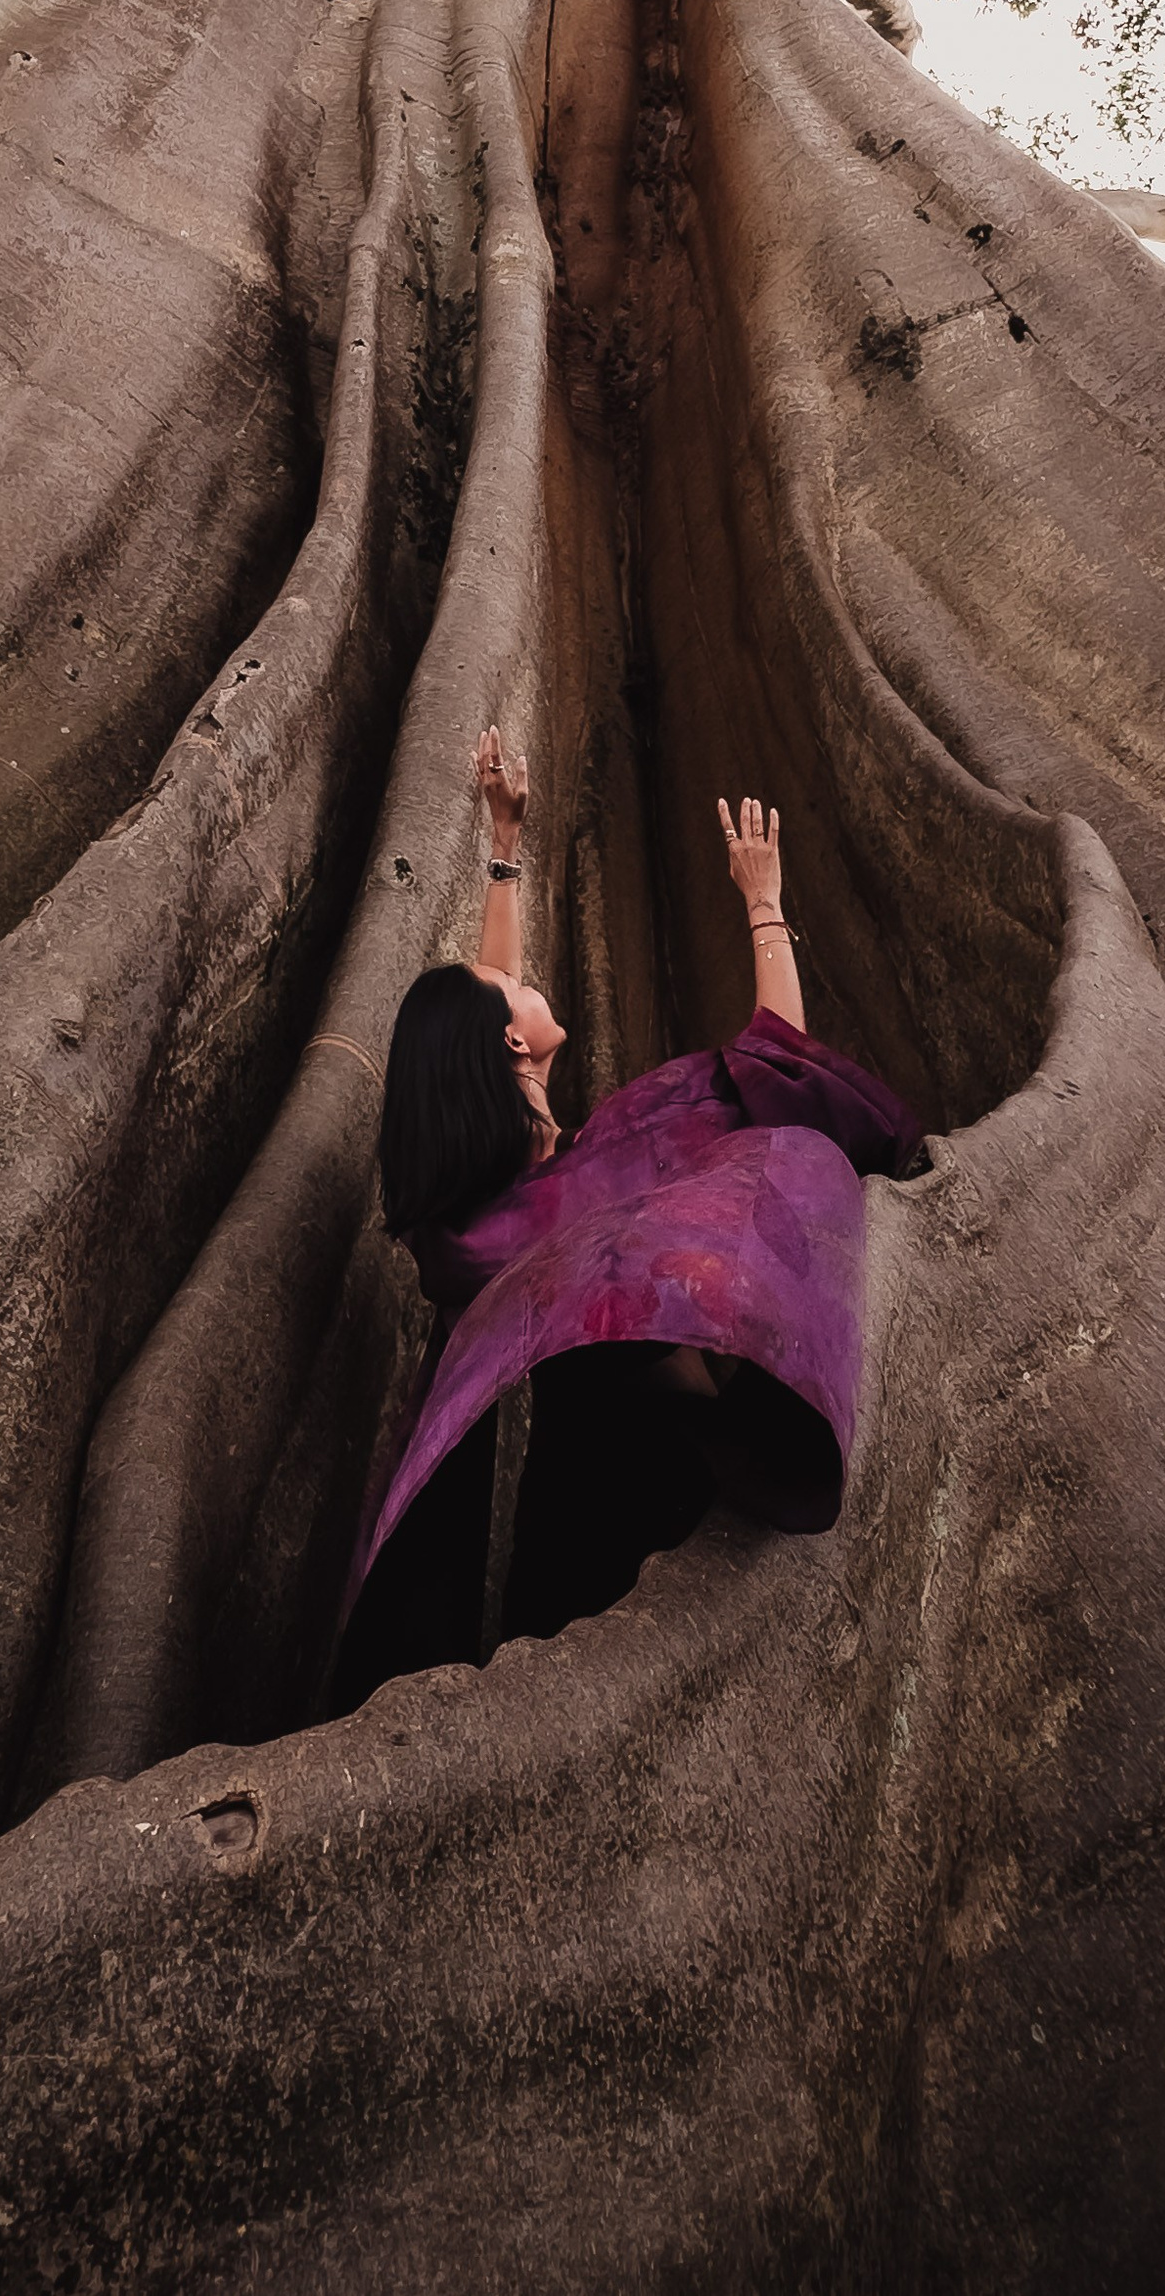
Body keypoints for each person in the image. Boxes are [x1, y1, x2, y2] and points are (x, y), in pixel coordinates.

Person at [331, 729, 921, 1707]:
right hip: (663, 1514)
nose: (520, 974)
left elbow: (490, 1008)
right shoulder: (605, 1172)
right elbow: (777, 1074)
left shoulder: (483, 1220)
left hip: (569, 1532)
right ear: (514, 1039)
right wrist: (763, 903)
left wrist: (504, 846)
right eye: (511, 990)